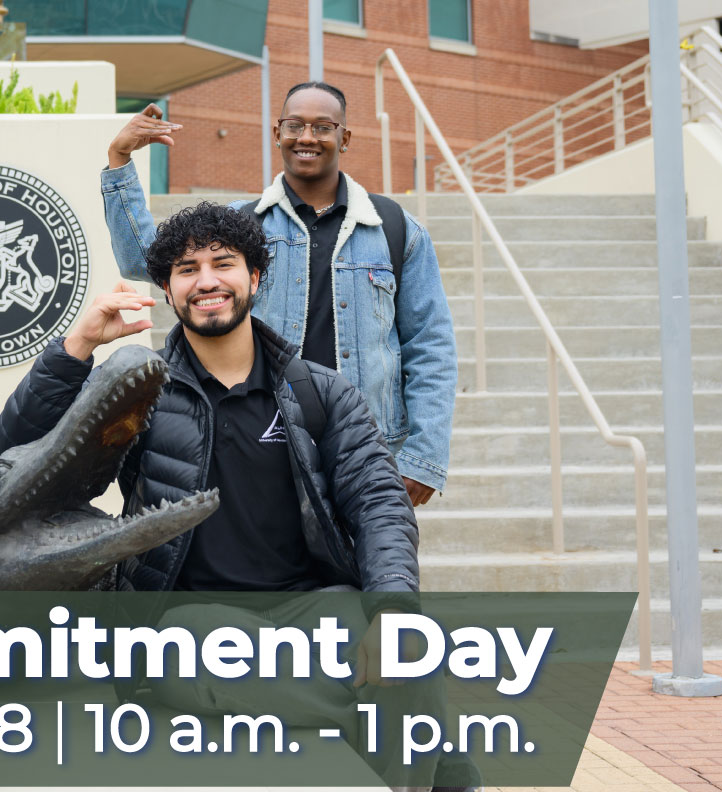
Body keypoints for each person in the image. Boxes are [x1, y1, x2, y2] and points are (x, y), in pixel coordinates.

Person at [0, 203, 478, 792]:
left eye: (224, 263)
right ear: (168, 289)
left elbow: (380, 504)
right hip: (186, 619)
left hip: (309, 606)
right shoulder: (138, 391)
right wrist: (77, 347)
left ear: (256, 276)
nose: (208, 280)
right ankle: (430, 748)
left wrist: (393, 608)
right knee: (208, 646)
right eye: (187, 268)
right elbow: (17, 459)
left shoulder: (319, 392)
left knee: (407, 644)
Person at [100, 82, 457, 507]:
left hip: (368, 448)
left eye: (322, 127)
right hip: (264, 440)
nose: (306, 137)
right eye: (294, 125)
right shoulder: (239, 224)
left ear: (344, 138)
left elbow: (430, 347)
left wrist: (423, 458)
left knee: (374, 567)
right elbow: (147, 260)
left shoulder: (397, 230)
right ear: (277, 133)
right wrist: (119, 161)